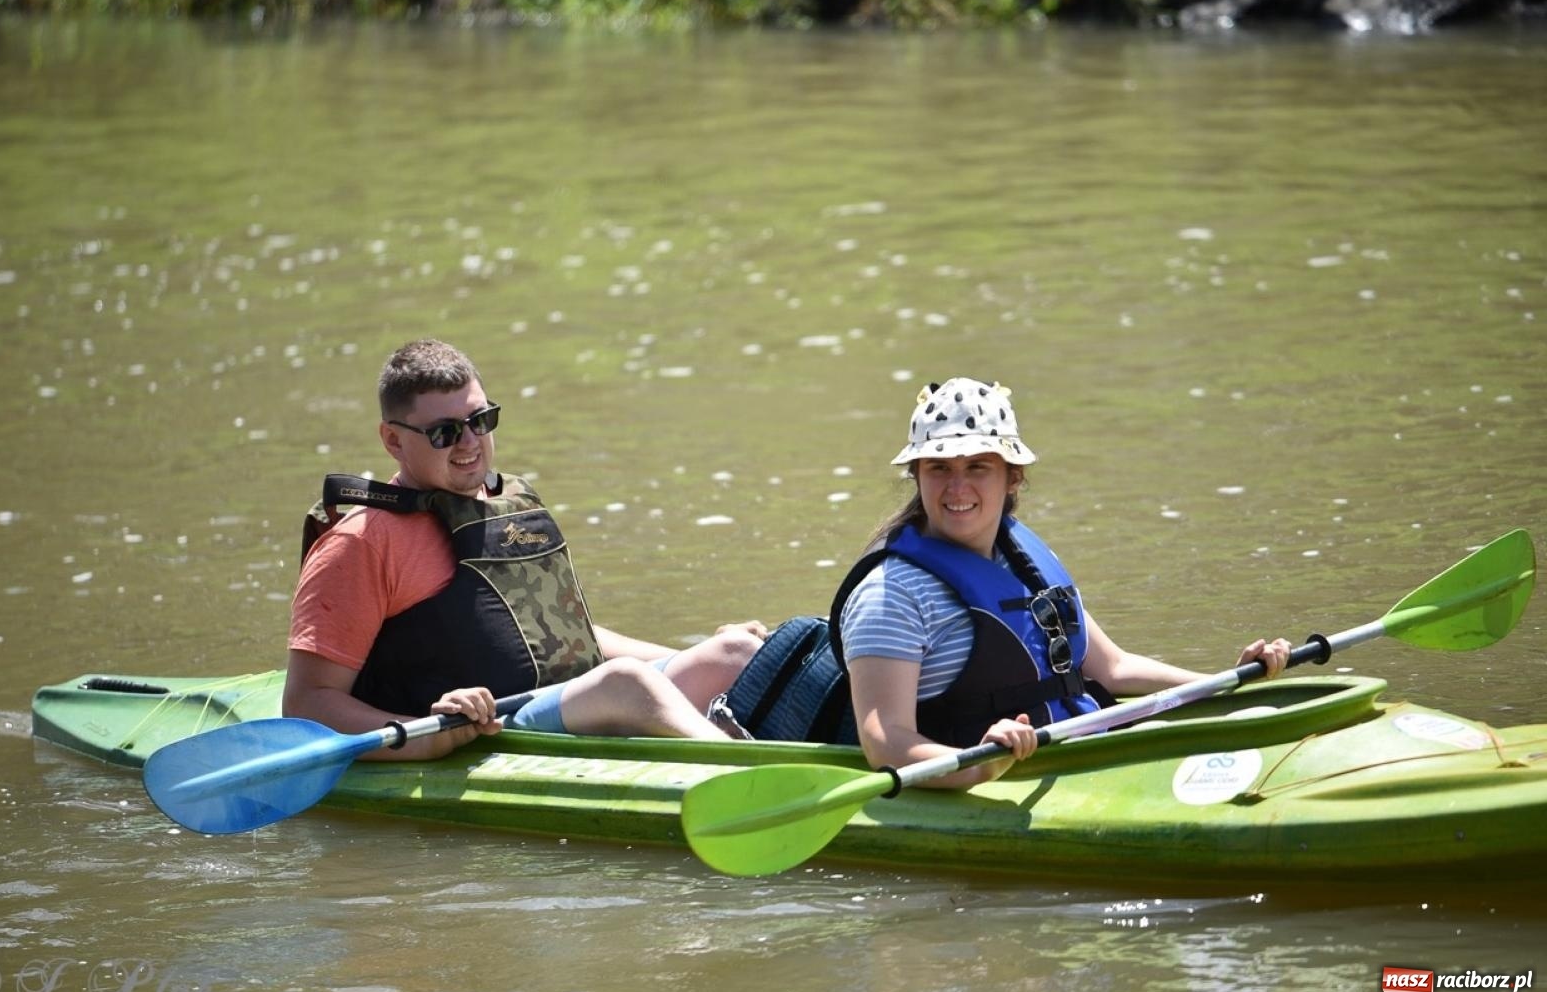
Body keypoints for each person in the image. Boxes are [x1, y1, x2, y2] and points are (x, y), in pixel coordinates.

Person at [283, 338, 764, 760]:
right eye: (445, 432)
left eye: (480, 419)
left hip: (581, 694)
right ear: (393, 440)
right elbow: (307, 704)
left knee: (737, 652)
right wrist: (416, 739)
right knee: (626, 684)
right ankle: (745, 769)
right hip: (482, 729)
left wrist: (692, 655)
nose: (470, 442)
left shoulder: (507, 505)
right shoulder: (360, 544)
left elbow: (559, 631)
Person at [830, 377, 1291, 789]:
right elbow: (884, 742)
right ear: (917, 475)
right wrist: (978, 767)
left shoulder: (1024, 559)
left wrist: (1230, 683)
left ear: (1013, 477)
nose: (957, 489)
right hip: (992, 780)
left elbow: (1113, 669)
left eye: (977, 468)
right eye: (939, 468)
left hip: (1080, 753)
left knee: (1255, 716)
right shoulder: (890, 595)